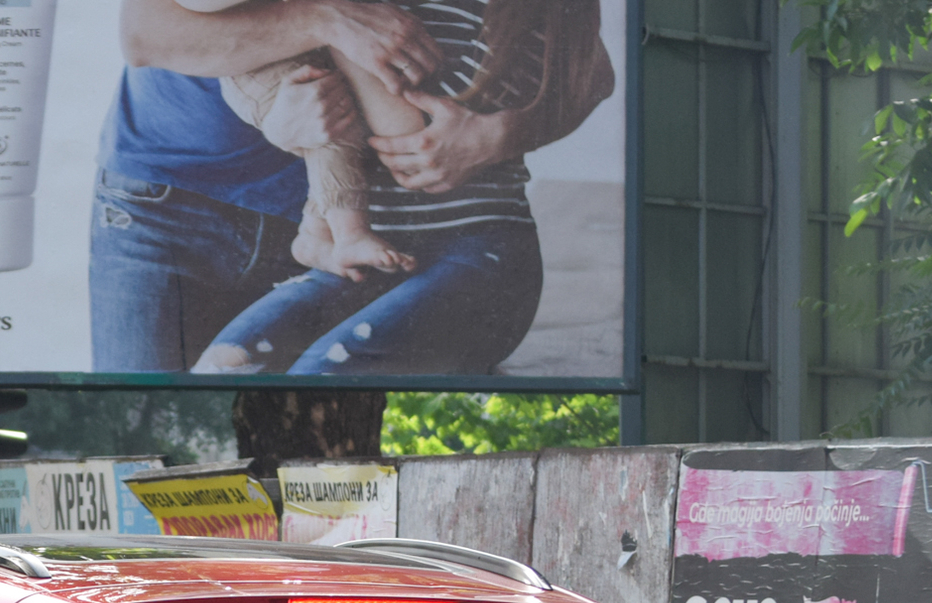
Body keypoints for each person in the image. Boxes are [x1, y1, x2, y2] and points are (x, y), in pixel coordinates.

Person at [193, 0, 614, 377]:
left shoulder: (516, 12)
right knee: (218, 367)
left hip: (484, 254)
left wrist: (339, 27)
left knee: (323, 373)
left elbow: (416, 140)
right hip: (369, 256)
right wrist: (279, 109)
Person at [90, 0, 443, 371]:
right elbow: (143, 35)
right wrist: (327, 19)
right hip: (162, 202)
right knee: (143, 409)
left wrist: (502, 133)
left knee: (275, 420)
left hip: (326, 220)